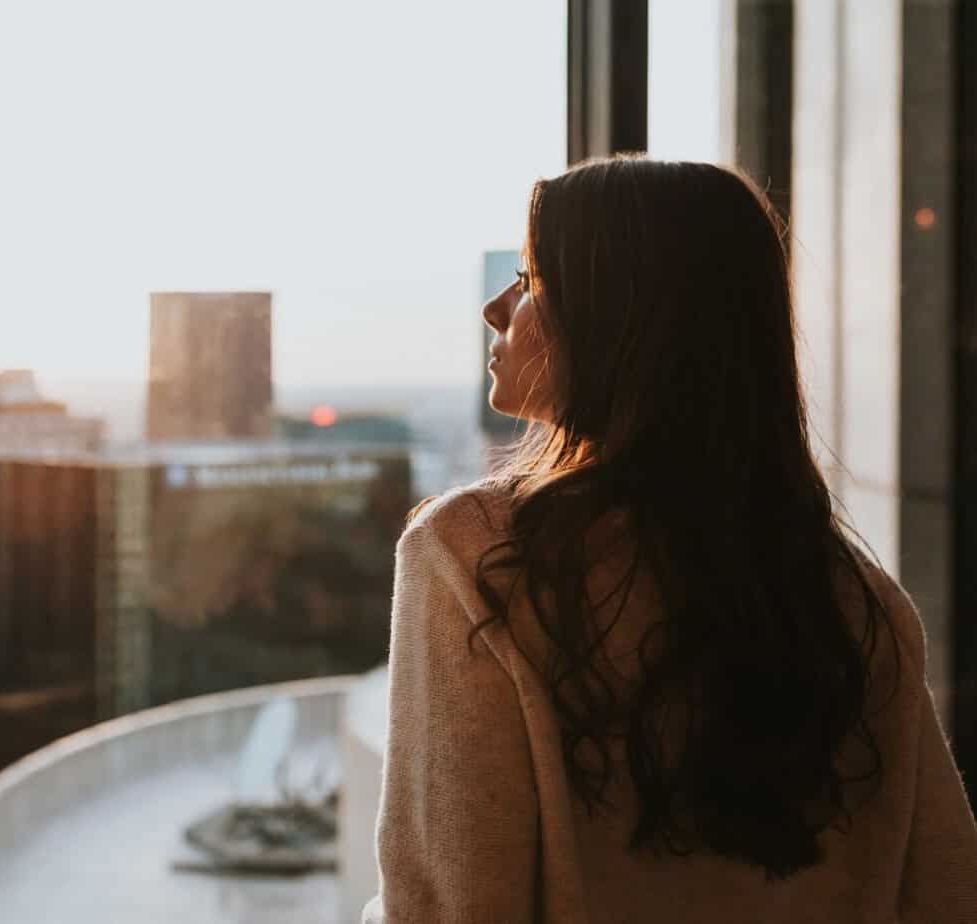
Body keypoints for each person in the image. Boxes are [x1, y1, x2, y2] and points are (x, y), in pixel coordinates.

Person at [362, 156, 977, 923]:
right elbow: (944, 894)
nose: (497, 308)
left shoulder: (480, 559)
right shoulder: (852, 597)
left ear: (619, 319)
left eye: (531, 279)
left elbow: (450, 905)